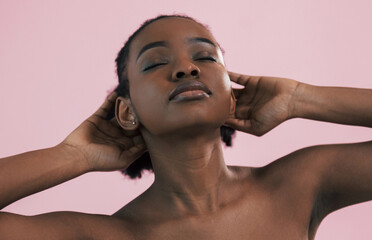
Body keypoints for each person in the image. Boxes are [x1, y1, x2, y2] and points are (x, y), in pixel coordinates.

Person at [0, 14, 371, 240]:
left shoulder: (298, 186)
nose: (186, 68)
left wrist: (301, 99)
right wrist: (72, 156)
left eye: (205, 57)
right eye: (155, 63)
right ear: (127, 113)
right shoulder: (104, 235)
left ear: (231, 97)